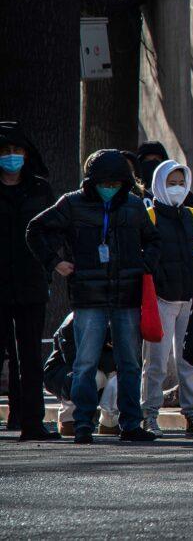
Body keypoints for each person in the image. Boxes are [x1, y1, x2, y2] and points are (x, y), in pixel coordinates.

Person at [26, 149, 161, 444]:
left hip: (126, 295)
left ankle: (131, 423)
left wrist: (144, 264)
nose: (109, 189)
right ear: (92, 182)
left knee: (129, 362)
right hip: (88, 297)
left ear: (124, 183)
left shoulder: (135, 206)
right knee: (85, 362)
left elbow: (153, 240)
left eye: (115, 184)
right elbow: (35, 229)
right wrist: (55, 263)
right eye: (104, 183)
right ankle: (83, 422)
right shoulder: (72, 204)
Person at [0, 122, 59, 440]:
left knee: (30, 356)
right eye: (5, 152)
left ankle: (31, 422)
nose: (11, 157)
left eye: (16, 151)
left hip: (30, 280)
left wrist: (50, 266)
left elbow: (51, 232)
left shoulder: (39, 189)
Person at [139, 160, 193, 437]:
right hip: (161, 298)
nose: (177, 188)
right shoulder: (149, 215)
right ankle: (149, 415)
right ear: (159, 184)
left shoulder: (192, 215)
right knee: (156, 362)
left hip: (188, 297)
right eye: (171, 183)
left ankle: (192, 414)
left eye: (181, 183)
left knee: (189, 363)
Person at [43, 313, 120, 436]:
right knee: (86, 375)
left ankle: (110, 420)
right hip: (61, 373)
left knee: (120, 376)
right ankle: (69, 417)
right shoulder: (74, 321)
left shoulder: (116, 320)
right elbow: (75, 360)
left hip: (97, 368)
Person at [133, 141, 193, 223]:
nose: (152, 164)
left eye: (157, 160)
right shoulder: (133, 195)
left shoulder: (180, 193)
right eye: (147, 160)